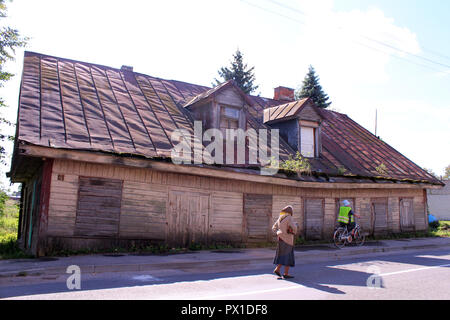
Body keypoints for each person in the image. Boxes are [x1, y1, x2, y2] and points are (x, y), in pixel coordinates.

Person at [272, 205, 298, 279]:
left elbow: (274, 227)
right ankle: (286, 273)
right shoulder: (289, 218)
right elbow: (294, 228)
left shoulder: (280, 218)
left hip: (280, 238)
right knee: (288, 256)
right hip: (288, 239)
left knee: (282, 255)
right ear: (290, 212)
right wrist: (295, 227)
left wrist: (279, 232)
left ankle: (277, 269)